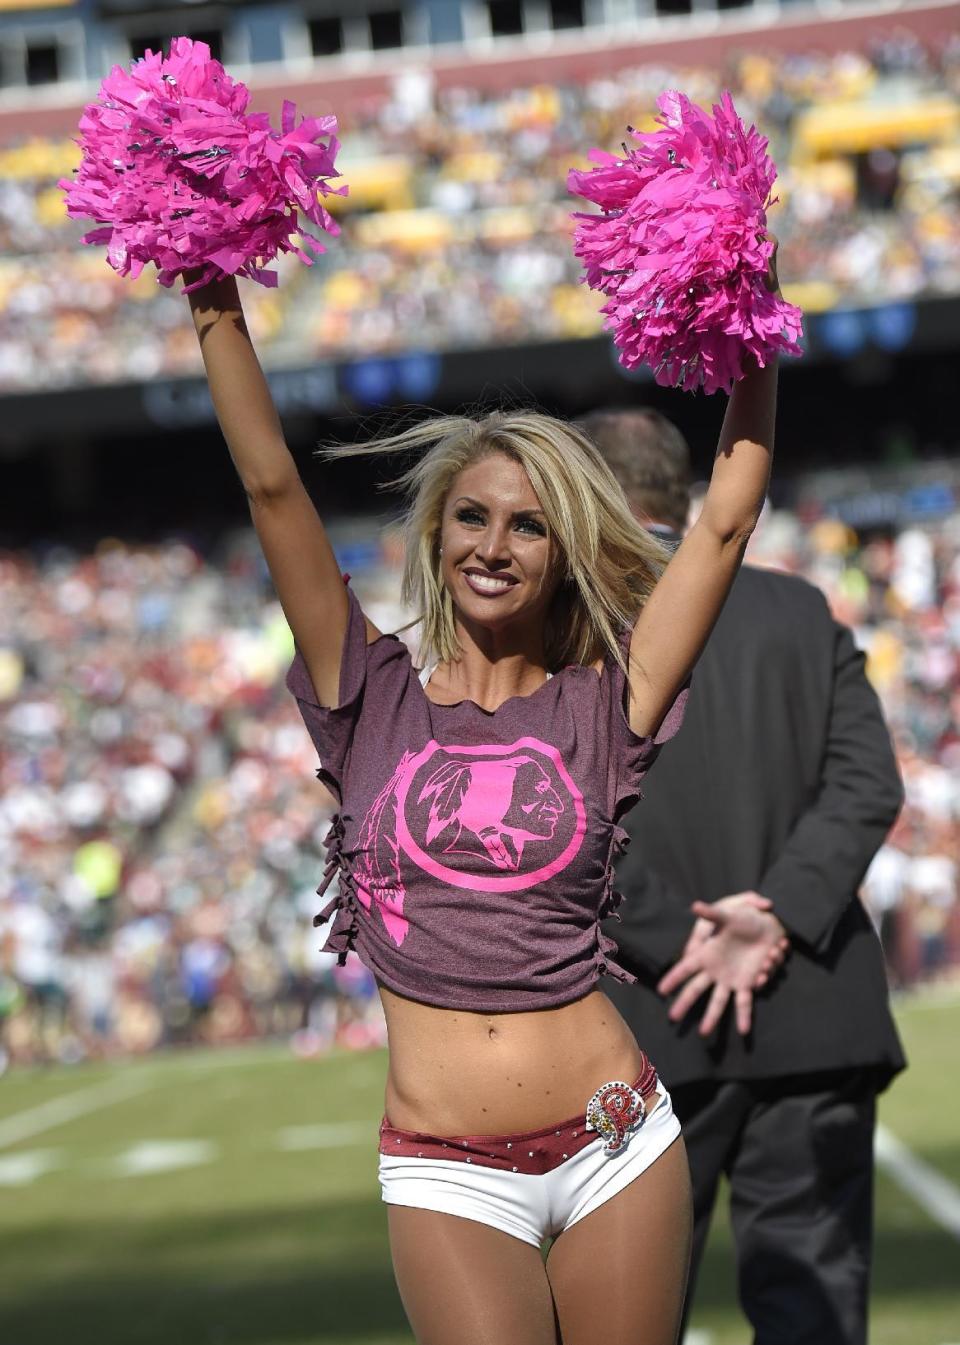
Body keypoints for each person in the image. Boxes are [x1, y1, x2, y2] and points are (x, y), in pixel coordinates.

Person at [184, 252, 782, 1345]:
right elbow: (271, 483)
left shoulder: (609, 702)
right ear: (436, 534)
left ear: (565, 553)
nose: (494, 547)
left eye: (528, 526)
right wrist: (205, 277)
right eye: (471, 518)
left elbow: (727, 521)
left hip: (614, 1135)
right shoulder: (365, 690)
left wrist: (751, 311)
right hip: (446, 1168)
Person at [578, 407, 907, 1345]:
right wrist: (776, 915)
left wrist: (680, 937)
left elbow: (558, 825)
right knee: (814, 1318)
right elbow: (867, 783)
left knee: (619, 1326)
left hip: (642, 1024)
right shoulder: (795, 606)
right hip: (813, 1009)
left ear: (588, 498)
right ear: (681, 493)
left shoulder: (565, 631)